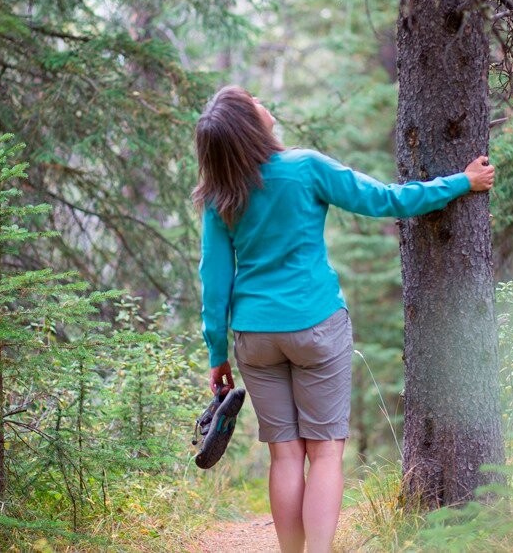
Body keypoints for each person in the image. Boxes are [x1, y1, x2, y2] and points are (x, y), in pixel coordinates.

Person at [192, 85, 495, 553]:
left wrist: (216, 353)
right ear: (248, 124)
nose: (261, 102)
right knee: (325, 451)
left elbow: (214, 282)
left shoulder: (220, 195)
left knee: (285, 455)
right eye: (252, 101)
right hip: (316, 325)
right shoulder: (305, 167)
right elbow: (385, 201)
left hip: (254, 336)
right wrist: (461, 183)